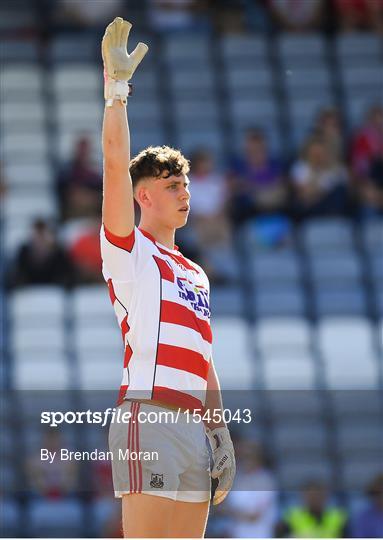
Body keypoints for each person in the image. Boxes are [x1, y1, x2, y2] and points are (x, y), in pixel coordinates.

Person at [100, 17, 235, 538]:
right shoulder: (131, 251)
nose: (185, 193)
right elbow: (115, 164)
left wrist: (220, 432)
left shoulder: (196, 272)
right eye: (172, 184)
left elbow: (205, 362)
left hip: (193, 427)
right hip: (148, 417)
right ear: (144, 196)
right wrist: (117, 91)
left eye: (186, 184)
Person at [223, 440, 278, 538]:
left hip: (260, 535)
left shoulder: (266, 480)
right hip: (237, 534)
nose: (245, 460)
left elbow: (254, 516)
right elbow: (224, 507)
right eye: (243, 457)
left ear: (258, 457)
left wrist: (233, 513)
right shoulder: (236, 478)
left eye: (249, 456)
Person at [290, 135, 349, 219]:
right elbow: (304, 197)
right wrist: (316, 171)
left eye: (321, 153)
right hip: (310, 210)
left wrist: (318, 193)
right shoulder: (300, 168)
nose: (318, 157)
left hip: (333, 210)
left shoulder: (337, 169)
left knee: (339, 192)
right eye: (314, 153)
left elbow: (346, 194)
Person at [8, 219, 75, 288]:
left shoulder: (59, 253)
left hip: (53, 292)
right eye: (38, 235)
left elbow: (68, 277)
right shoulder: (24, 252)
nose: (40, 240)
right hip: (29, 292)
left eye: (43, 236)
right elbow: (16, 277)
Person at [276, 480, 349, 537]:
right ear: (303, 496)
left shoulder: (338, 518)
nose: (315, 499)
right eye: (311, 496)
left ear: (325, 496)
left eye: (318, 495)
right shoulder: (291, 518)